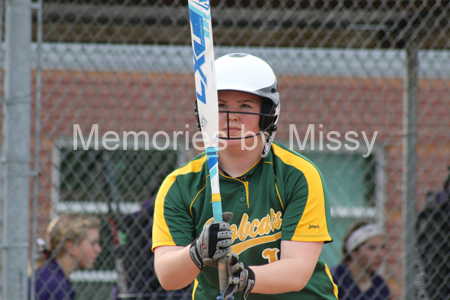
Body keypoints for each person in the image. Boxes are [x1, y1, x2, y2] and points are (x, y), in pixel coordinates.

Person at [152, 53, 338, 300]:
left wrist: (245, 278)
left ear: (268, 113)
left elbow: (298, 271)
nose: (233, 116)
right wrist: (197, 251)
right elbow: (168, 277)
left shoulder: (298, 175)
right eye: (220, 106)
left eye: (245, 106)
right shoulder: (180, 185)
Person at [29, 214, 102, 300]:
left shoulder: (48, 275)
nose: (98, 249)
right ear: (72, 247)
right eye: (93, 243)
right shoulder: (55, 286)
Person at [330, 219, 391, 300]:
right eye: (372, 248)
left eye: (382, 247)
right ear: (353, 251)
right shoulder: (334, 279)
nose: (380, 254)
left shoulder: (379, 285)